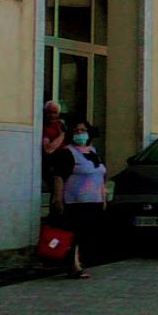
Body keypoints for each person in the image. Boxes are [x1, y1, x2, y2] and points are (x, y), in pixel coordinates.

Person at [48, 119, 105, 278]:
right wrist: (58, 199)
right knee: (75, 234)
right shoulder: (67, 152)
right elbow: (58, 177)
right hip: (75, 201)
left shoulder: (93, 151)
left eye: (83, 130)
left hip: (94, 200)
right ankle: (74, 265)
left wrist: (103, 196)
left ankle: (78, 262)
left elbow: (100, 175)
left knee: (86, 234)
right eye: (76, 131)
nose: (80, 134)